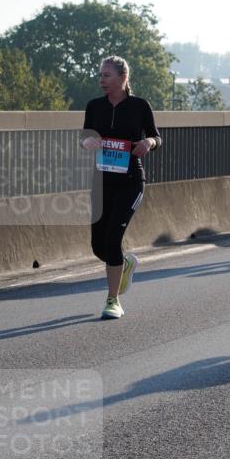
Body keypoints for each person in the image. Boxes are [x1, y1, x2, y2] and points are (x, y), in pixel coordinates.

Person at [79, 56, 161, 319]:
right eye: (100, 75)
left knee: (113, 239)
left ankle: (113, 300)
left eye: (106, 75)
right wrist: (87, 141)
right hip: (102, 182)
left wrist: (148, 143)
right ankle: (123, 264)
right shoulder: (94, 106)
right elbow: (85, 135)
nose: (101, 80)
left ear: (122, 78)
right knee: (99, 247)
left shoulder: (140, 106)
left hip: (130, 182)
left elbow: (156, 136)